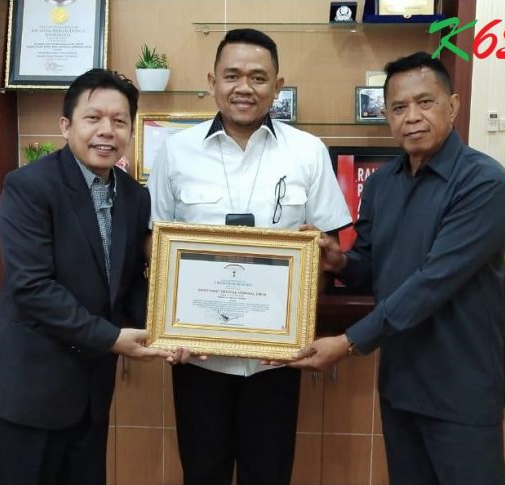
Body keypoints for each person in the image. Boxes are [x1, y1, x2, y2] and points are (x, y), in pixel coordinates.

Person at [290, 52, 505, 485]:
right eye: (398, 107)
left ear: (453, 106)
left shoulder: (484, 184)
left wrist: (349, 342)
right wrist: (340, 261)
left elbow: (433, 283)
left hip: (460, 385)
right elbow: (370, 266)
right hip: (401, 382)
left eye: (425, 102)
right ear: (387, 116)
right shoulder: (382, 183)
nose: (412, 117)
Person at [147, 28, 352, 485]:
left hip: (275, 359)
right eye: (232, 75)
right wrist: (171, 321)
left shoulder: (307, 151)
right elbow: (155, 241)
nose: (244, 87)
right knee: (203, 473)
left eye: (258, 77)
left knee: (269, 473)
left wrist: (302, 317)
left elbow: (328, 246)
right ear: (212, 82)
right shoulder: (176, 151)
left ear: (278, 86)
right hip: (198, 355)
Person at [0, 68, 179, 485]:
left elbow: (129, 282)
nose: (107, 130)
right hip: (29, 392)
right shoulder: (29, 187)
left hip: (91, 394)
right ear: (66, 125)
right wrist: (112, 338)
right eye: (93, 118)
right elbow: (32, 288)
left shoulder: (135, 196)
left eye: (119, 120)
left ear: (131, 131)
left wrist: (170, 329)